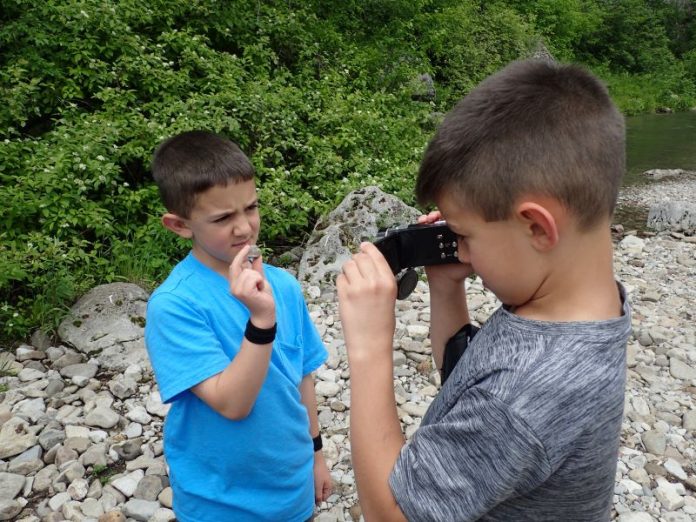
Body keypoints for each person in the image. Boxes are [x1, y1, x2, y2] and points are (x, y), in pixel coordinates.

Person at [336, 59, 631, 520]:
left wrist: (370, 348)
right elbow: (471, 383)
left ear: (536, 226)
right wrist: (446, 288)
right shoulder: (577, 307)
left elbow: (389, 513)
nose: (463, 253)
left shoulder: (526, 391)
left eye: (465, 235)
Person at [144, 130, 332, 522]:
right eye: (223, 217)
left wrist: (316, 455)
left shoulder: (283, 284)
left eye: (251, 207)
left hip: (292, 491)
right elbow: (232, 403)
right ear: (179, 225)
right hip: (218, 503)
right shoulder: (175, 305)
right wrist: (261, 321)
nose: (245, 228)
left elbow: (302, 378)